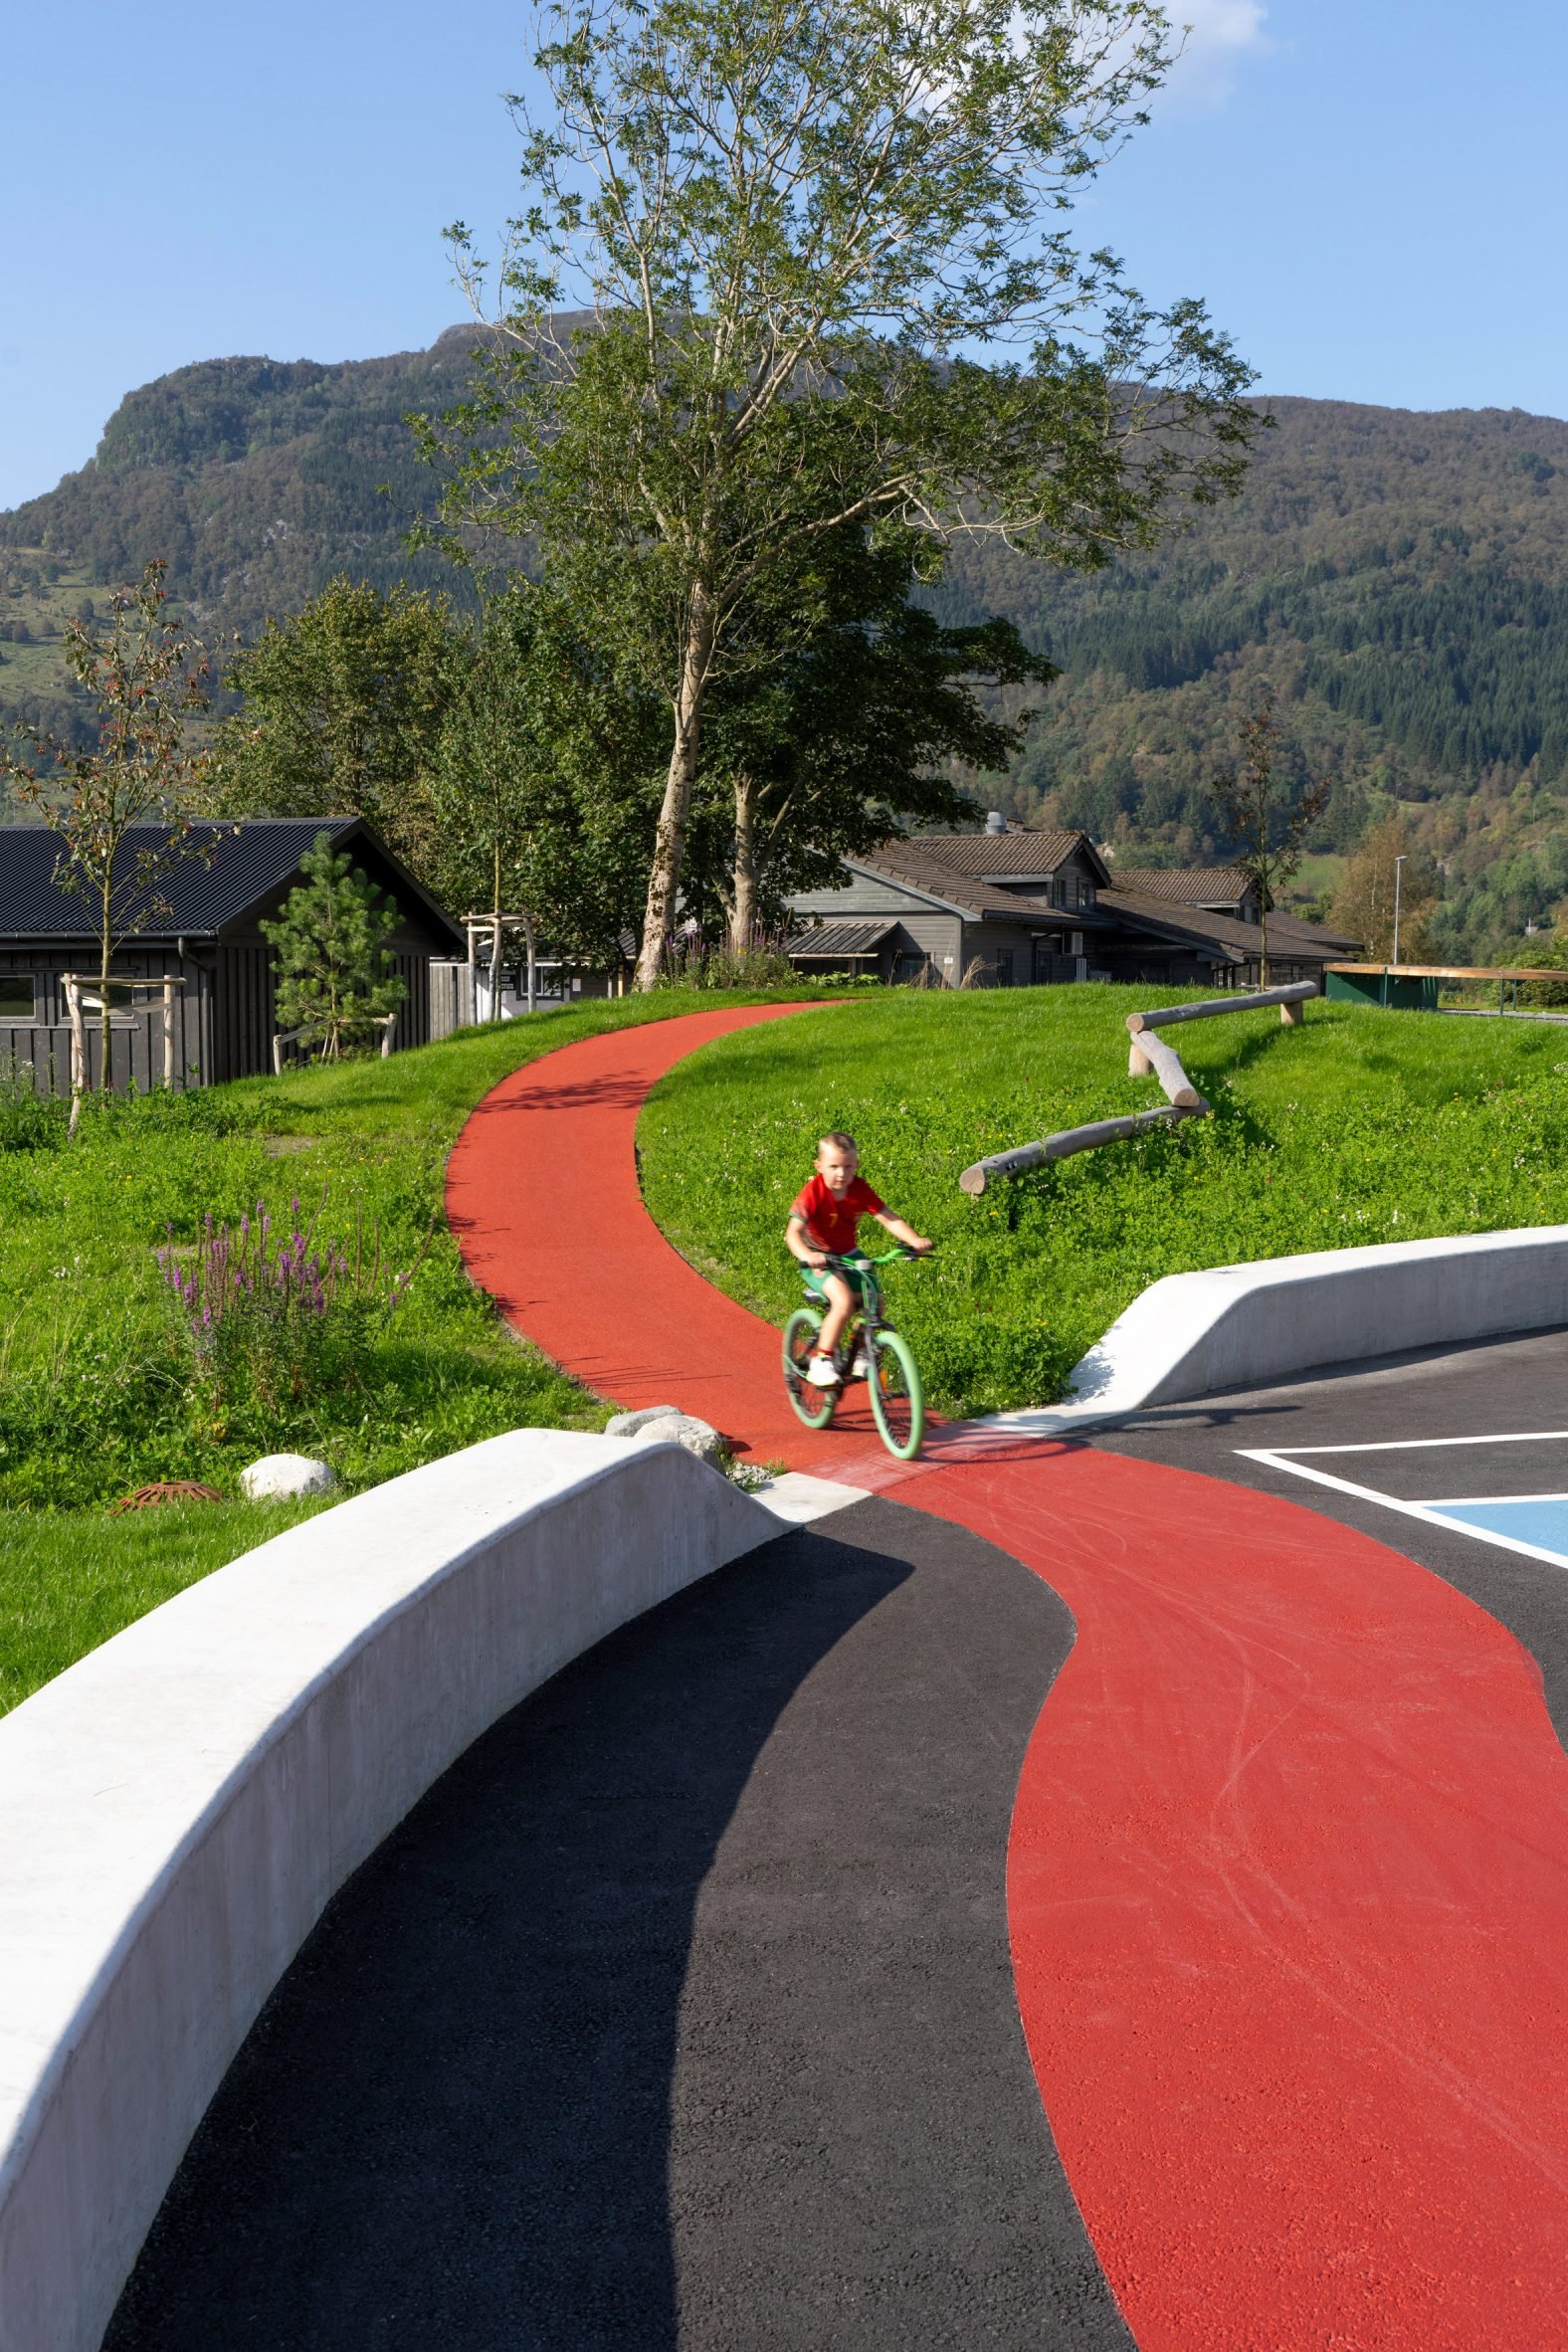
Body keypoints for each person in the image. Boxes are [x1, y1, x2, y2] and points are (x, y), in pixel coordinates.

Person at [785, 1130, 931, 1387]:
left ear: (857, 1166)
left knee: (875, 1302)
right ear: (819, 1167)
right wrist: (809, 1256)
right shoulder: (813, 1193)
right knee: (842, 1302)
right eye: (834, 1167)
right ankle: (822, 1360)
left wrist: (913, 1240)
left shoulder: (859, 1189)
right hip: (819, 1257)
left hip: (849, 1255)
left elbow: (887, 1216)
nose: (841, 1174)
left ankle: (864, 1353)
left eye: (848, 1167)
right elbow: (792, 1234)